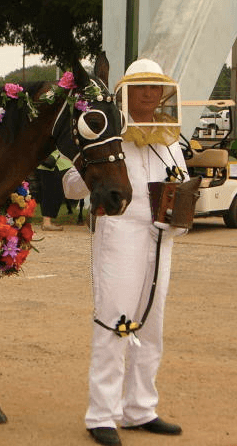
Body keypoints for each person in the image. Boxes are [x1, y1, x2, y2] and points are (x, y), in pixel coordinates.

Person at [63, 59, 187, 446]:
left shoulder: (170, 142)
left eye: (155, 88)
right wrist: (93, 178)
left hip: (160, 241)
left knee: (151, 326)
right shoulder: (108, 135)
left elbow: (182, 188)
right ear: (126, 94)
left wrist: (179, 219)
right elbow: (69, 184)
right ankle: (102, 414)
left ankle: (139, 408)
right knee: (114, 322)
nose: (149, 95)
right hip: (119, 234)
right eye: (142, 88)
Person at [35, 150, 73, 230]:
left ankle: (47, 221)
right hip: (52, 162)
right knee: (50, 192)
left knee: (52, 192)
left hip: (58, 162)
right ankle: (46, 223)